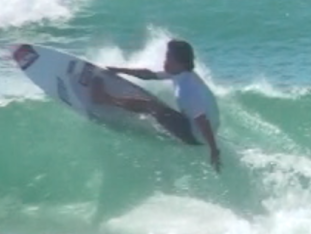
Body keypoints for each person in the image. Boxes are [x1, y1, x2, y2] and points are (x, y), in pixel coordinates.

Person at [90, 39, 222, 172]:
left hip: (196, 135)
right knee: (159, 106)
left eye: (168, 57)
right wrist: (119, 70)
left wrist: (213, 149)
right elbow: (149, 75)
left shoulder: (186, 89)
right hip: (202, 125)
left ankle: (104, 98)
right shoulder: (183, 74)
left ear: (180, 62)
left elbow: (202, 120)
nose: (165, 61)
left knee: (150, 105)